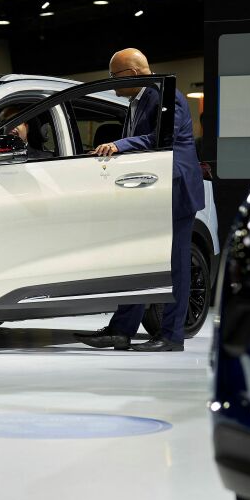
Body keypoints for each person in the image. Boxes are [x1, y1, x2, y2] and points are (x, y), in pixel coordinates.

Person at [76, 48, 205, 352]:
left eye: (114, 77)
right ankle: (122, 330)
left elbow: (163, 140)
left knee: (175, 265)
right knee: (138, 259)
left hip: (174, 190)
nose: (111, 83)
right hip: (151, 191)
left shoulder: (165, 95)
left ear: (132, 74)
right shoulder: (141, 99)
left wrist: (119, 145)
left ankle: (171, 336)